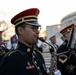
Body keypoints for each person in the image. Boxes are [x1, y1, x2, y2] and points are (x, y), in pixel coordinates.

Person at [0, 8, 48, 75]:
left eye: (37, 28)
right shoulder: (11, 59)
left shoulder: (38, 54)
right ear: (20, 30)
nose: (37, 32)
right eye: (33, 28)